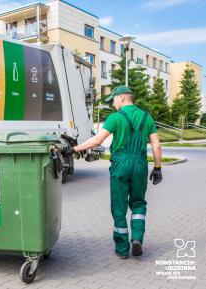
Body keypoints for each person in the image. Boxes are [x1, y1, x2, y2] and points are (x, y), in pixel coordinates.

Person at [63, 85, 162, 259]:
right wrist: (158, 167)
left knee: (119, 207)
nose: (113, 104)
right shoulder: (147, 117)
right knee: (138, 204)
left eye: (114, 100)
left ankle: (122, 249)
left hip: (120, 164)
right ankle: (137, 239)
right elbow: (156, 144)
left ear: (122, 98)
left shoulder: (115, 118)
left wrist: (73, 149)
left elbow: (97, 140)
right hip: (139, 164)